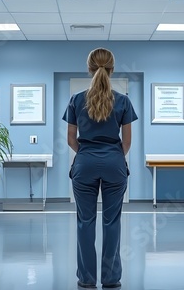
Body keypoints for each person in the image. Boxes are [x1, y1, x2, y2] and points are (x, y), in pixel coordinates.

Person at [62, 48, 138, 289]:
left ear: (89, 69)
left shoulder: (76, 100)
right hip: (114, 164)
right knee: (112, 222)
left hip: (84, 165)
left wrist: (86, 154)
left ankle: (86, 279)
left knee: (85, 222)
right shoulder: (123, 101)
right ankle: (111, 278)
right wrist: (113, 156)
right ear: (112, 69)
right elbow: (127, 142)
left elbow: (71, 139)